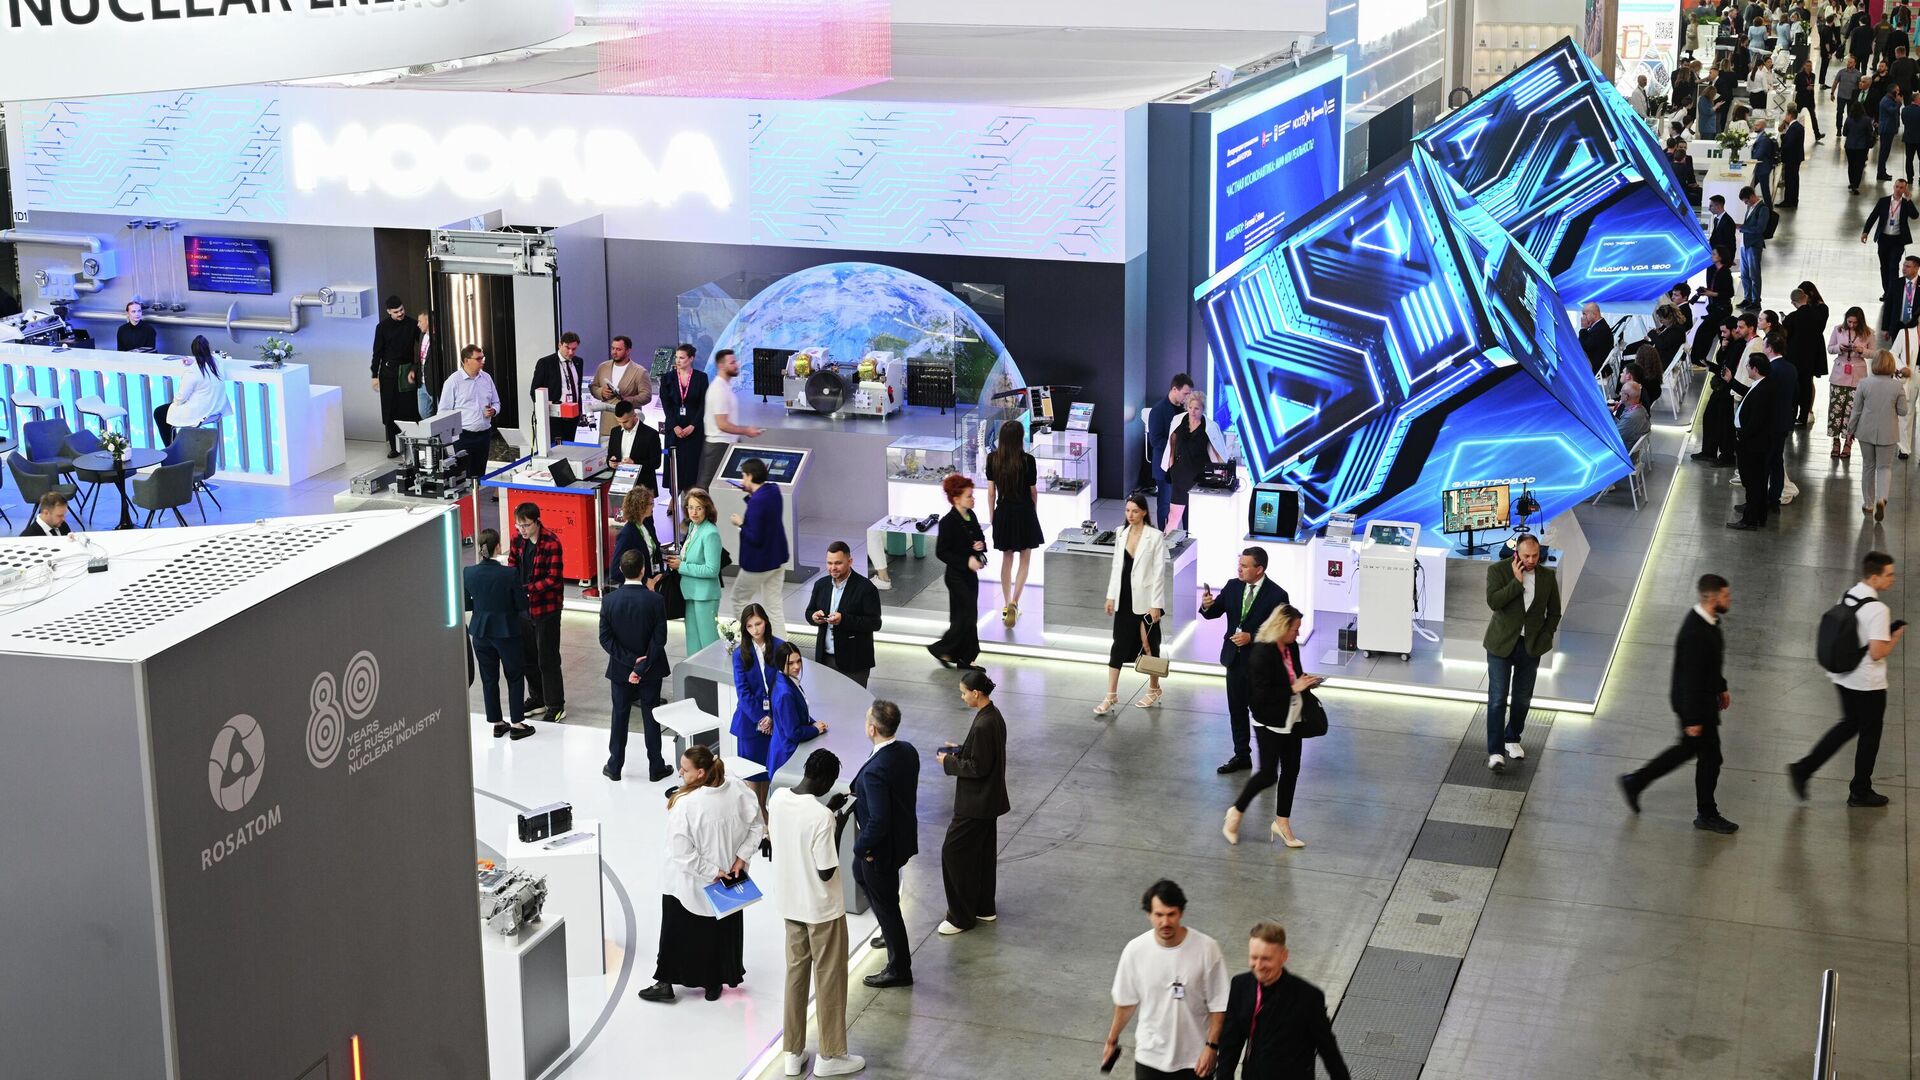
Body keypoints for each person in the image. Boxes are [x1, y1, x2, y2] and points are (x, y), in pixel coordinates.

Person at [638, 745, 764, 1003]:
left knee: (676, 931)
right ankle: (713, 981)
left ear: (700, 773)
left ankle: (666, 982)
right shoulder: (738, 789)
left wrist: (712, 872)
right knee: (720, 932)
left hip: (688, 882)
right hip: (730, 879)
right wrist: (741, 858)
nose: (680, 773)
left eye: (685, 770)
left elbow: (682, 852)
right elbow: (757, 825)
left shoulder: (686, 805)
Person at [768, 749, 866, 1079]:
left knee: (796, 976)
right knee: (830, 980)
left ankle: (793, 1053)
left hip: (790, 903)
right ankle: (831, 1054)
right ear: (824, 780)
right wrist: (837, 823)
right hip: (822, 910)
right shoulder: (822, 817)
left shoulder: (778, 799)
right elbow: (826, 871)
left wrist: (828, 812)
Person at [1619, 575, 1738, 833]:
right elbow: (1689, 680)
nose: (1729, 599)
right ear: (1713, 598)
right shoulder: (1696, 633)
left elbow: (1710, 664)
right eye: (1726, 595)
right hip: (1696, 707)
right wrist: (1692, 719)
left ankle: (1636, 782)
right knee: (1710, 758)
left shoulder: (1710, 622)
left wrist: (1721, 686)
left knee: (1689, 751)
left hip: (1702, 702)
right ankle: (1706, 814)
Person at [1790, 552, 1905, 806]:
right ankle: (1860, 791)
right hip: (1868, 683)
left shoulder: (1847, 595)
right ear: (1874, 577)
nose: (1893, 579)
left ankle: (1804, 768)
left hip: (1843, 677)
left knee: (1849, 724)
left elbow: (1855, 633)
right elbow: (1877, 652)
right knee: (1870, 735)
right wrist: (1895, 637)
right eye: (1889, 574)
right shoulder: (1879, 609)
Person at [1103, 879, 1230, 1080]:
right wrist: (1112, 1040)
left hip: (1195, 1060)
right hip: (1150, 1057)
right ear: (1149, 914)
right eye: (1159, 915)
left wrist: (1211, 1046)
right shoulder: (1135, 951)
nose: (1165, 922)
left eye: (1171, 914)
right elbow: (1126, 1002)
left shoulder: (1207, 949)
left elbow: (1219, 1005)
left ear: (1181, 913)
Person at [1224, 604, 1319, 849]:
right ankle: (1236, 812)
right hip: (1269, 721)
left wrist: (1306, 682)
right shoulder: (1261, 653)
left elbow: (1294, 676)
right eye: (1295, 629)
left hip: (1292, 717)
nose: (1298, 633)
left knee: (1291, 770)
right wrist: (1293, 688)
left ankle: (1282, 823)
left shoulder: (1291, 647)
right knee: (1268, 774)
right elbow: (1260, 696)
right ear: (1282, 627)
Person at [1213, 923, 1350, 1080]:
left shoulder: (1308, 997)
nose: (1258, 966)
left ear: (1283, 956)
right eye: (1254, 957)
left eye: (1266, 959)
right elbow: (1230, 1042)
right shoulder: (1241, 986)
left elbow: (1328, 1049)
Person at [1197, 547, 1288, 774]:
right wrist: (1207, 605)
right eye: (1239, 564)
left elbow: (1282, 633)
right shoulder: (1233, 586)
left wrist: (1252, 637)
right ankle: (1241, 755)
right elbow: (1213, 612)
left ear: (1259, 569)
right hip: (1235, 660)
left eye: (1245, 566)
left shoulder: (1277, 595)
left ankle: (1269, 761)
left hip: (1261, 666)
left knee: (1263, 714)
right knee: (1237, 711)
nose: (1239, 569)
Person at [936, 668, 1008, 936]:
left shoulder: (983, 724)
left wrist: (949, 761)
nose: (962, 697)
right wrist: (961, 750)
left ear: (976, 693)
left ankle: (960, 917)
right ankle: (983, 907)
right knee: (982, 856)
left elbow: (978, 767)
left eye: (964, 693)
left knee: (953, 853)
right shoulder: (993, 716)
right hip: (989, 801)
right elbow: (984, 755)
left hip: (975, 804)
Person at [853, 700, 919, 989]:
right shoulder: (907, 751)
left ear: (873, 729)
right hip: (900, 839)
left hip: (879, 850)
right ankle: (888, 931)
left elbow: (879, 820)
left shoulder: (875, 771)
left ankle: (899, 968)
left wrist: (861, 848)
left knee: (888, 905)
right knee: (860, 874)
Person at [1483, 534, 1562, 770]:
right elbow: (1494, 602)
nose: (1531, 560)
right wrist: (1516, 583)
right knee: (1497, 698)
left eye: (1535, 556)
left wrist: (1545, 636)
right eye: (1526, 556)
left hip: (1530, 646)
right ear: (1516, 553)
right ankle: (1496, 751)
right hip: (1501, 644)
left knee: (1522, 698)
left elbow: (1554, 613)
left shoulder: (1547, 576)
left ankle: (1512, 738)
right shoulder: (1498, 571)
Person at [601, 549, 671, 783]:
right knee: (651, 716)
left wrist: (631, 662)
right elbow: (659, 639)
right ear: (643, 570)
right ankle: (656, 767)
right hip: (651, 669)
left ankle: (614, 766)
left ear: (621, 570)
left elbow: (605, 639)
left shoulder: (609, 601)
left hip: (620, 670)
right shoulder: (655, 600)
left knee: (619, 715)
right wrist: (641, 665)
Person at [1097, 494, 1169, 715]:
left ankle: (1154, 688)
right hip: (1124, 598)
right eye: (1128, 510)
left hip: (1146, 601)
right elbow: (1116, 567)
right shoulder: (1121, 533)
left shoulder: (1155, 536)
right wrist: (1111, 596)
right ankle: (1110, 695)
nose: (1130, 515)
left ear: (1144, 512)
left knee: (1149, 646)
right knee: (1118, 645)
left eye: (1135, 511)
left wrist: (1156, 604)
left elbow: (1159, 573)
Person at [465, 529, 533, 740]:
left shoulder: (468, 572)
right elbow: (521, 604)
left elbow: (467, 604)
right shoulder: (509, 574)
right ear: (498, 547)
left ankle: (497, 722)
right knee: (514, 676)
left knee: (489, 678)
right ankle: (517, 723)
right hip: (506, 632)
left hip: (480, 633)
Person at [509, 501, 566, 722]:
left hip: (547, 609)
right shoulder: (517, 540)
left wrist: (526, 589)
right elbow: (512, 565)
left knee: (547, 659)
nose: (522, 529)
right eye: (518, 525)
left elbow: (553, 579)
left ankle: (556, 704)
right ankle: (538, 698)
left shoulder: (551, 542)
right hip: (524, 609)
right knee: (528, 657)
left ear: (537, 522)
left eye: (526, 525)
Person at [985, 419, 1043, 625]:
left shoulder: (993, 459)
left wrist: (992, 516)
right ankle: (1015, 603)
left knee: (1006, 558)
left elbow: (991, 493)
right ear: (1020, 438)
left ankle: (1005, 602)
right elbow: (1033, 492)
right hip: (1025, 512)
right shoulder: (1028, 461)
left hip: (1003, 512)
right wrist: (1033, 512)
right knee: (1024, 559)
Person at [928, 473, 988, 671]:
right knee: (967, 616)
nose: (973, 499)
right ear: (956, 499)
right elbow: (941, 552)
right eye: (969, 496)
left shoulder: (971, 515)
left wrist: (981, 545)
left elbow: (979, 536)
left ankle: (958, 656)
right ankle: (946, 650)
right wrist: (966, 562)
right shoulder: (948, 522)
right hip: (956, 577)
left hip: (970, 576)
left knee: (964, 616)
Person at [806, 540, 882, 687]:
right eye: (829, 563)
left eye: (838, 563)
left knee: (855, 701)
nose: (832, 568)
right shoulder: (821, 585)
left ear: (850, 561)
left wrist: (844, 620)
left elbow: (874, 623)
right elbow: (809, 612)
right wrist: (814, 617)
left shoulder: (866, 588)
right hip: (825, 660)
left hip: (854, 662)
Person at [1846, 350, 1911, 517]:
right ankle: (1881, 499)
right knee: (1884, 467)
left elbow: (1856, 411)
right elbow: (1903, 411)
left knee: (1868, 466)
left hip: (1865, 431)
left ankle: (1868, 504)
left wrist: (1850, 431)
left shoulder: (1864, 383)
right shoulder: (1897, 386)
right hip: (1888, 433)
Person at [729, 456, 789, 622]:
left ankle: (751, 634)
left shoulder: (757, 502)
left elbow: (755, 537)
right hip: (777, 559)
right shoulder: (774, 491)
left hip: (758, 563)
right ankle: (778, 640)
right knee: (774, 607)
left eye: (743, 476)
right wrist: (750, 493)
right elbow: (763, 514)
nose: (742, 480)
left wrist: (740, 523)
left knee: (738, 600)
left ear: (750, 476)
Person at [1160, 389, 1229, 533]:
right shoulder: (1178, 421)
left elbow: (1218, 450)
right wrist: (1171, 467)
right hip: (1179, 475)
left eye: (1196, 408)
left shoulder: (1210, 427)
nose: (1192, 411)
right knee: (1174, 516)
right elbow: (1172, 444)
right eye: (1190, 407)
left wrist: (1223, 472)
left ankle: (1194, 544)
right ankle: (1166, 544)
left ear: (1203, 409)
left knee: (1197, 516)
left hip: (1199, 477)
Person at [1727, 349, 1779, 529]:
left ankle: (1750, 520)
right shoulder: (1762, 384)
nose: (1747, 368)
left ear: (1755, 369)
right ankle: (1758, 514)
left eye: (1748, 366)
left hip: (1753, 444)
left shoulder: (1763, 390)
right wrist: (1731, 381)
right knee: (1757, 481)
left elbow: (1756, 421)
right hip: (1755, 443)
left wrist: (1741, 436)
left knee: (1753, 482)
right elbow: (1748, 395)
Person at [700, 348, 763, 490]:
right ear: (721, 366)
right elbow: (722, 424)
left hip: (727, 442)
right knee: (707, 486)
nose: (736, 365)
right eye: (732, 362)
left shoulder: (725, 387)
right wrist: (746, 430)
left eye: (736, 361)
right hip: (719, 445)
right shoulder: (718, 390)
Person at [673, 488, 724, 654]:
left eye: (699, 508)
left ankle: (712, 671)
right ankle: (694, 671)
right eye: (690, 507)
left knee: (709, 644)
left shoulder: (710, 533)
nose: (694, 512)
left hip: (705, 596)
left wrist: (681, 566)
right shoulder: (693, 527)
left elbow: (712, 569)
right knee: (693, 640)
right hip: (691, 593)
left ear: (707, 509)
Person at [439, 345, 500, 481]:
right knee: (463, 476)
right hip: (463, 436)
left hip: (484, 434)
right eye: (478, 359)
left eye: (483, 358)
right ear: (466, 361)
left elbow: (497, 402)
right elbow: (443, 411)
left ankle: (478, 493)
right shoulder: (453, 381)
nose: (482, 361)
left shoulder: (486, 378)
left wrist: (494, 410)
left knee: (480, 474)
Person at [658, 343, 708, 505]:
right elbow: (666, 405)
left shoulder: (701, 378)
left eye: (682, 358)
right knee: (674, 463)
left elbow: (703, 404)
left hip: (693, 428)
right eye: (677, 357)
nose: (678, 361)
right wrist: (675, 426)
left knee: (691, 464)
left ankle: (689, 499)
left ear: (691, 359)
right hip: (674, 428)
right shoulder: (667, 378)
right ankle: (674, 497)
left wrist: (693, 425)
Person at [369, 295, 419, 456]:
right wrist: (374, 375)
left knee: (409, 409)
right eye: (396, 312)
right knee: (390, 410)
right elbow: (377, 352)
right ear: (389, 312)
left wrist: (415, 368)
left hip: (406, 371)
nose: (400, 313)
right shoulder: (382, 327)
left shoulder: (412, 324)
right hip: (388, 374)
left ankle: (413, 444)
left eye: (402, 310)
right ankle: (394, 447)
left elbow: (422, 347)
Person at [154, 334, 225, 446]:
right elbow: (208, 360)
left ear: (193, 351)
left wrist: (175, 403)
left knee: (160, 413)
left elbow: (180, 398)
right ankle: (176, 448)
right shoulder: (217, 362)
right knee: (165, 412)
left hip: (200, 412)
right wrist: (195, 361)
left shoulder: (192, 372)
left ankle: (173, 450)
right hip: (216, 409)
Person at [1144, 373, 1193, 527]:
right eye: (1185, 393)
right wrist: (1178, 445)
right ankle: (1164, 536)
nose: (1188, 397)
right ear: (1174, 389)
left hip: (1184, 467)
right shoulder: (1158, 410)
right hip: (1165, 467)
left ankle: (1188, 535)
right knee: (1165, 505)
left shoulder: (1186, 411)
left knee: (1187, 504)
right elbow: (1155, 440)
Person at [1827, 306, 1874, 457]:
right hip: (1839, 375)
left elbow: (1874, 353)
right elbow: (1830, 348)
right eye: (1849, 322)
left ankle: (1848, 442)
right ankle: (1835, 441)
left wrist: (1862, 351)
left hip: (1858, 377)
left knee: (1853, 411)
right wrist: (1839, 348)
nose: (1852, 325)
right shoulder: (1838, 330)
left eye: (1855, 322)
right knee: (1835, 410)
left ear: (1860, 322)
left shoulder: (1869, 333)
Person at [1861, 178, 1917, 299]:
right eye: (1897, 187)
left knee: (1893, 266)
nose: (1898, 189)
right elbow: (1873, 216)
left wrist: (1909, 199)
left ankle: (1892, 293)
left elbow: (1915, 215)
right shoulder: (1883, 201)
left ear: (1905, 189)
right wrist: (1865, 232)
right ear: (1893, 187)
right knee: (1884, 266)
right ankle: (1886, 291)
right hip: (1883, 239)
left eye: (1901, 188)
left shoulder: (1906, 203)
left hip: (1898, 240)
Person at [1782, 285, 1830, 424]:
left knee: (1794, 386)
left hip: (1794, 357)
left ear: (1793, 302)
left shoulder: (1792, 317)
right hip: (1812, 356)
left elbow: (1785, 335)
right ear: (1806, 297)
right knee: (1807, 385)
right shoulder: (1818, 314)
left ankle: (1791, 415)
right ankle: (1804, 416)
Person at [529, 331, 587, 444]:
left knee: (570, 447)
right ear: (560, 345)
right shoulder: (545, 363)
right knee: (556, 448)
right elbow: (534, 392)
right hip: (554, 417)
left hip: (573, 416)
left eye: (574, 349)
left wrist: (579, 411)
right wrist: (547, 408)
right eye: (567, 348)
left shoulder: (578, 362)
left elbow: (577, 388)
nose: (570, 352)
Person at [609, 484, 665, 589]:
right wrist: (644, 581)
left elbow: (655, 550)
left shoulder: (647, 524)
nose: (653, 506)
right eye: (651, 504)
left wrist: (661, 573)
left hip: (653, 583)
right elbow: (615, 571)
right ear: (641, 507)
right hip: (637, 588)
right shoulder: (627, 534)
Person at [1692, 245, 1737, 366]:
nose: (1711, 256)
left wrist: (1711, 293)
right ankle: (1702, 359)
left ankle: (1700, 359)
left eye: (1714, 254)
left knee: (1706, 333)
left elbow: (1729, 293)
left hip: (1721, 310)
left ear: (1720, 257)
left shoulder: (1725, 272)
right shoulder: (1714, 270)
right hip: (1715, 309)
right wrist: (1707, 291)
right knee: (1711, 334)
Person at [605, 400, 663, 489]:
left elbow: (656, 463)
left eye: (625, 422)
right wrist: (611, 463)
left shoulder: (651, 434)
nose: (622, 425)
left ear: (634, 415)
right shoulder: (615, 432)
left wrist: (634, 463)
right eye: (619, 422)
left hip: (643, 486)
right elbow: (610, 456)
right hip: (619, 484)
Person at [1737, 187, 1769, 309]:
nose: (1746, 203)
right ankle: (1747, 298)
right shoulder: (1750, 208)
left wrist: (1742, 228)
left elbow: (1760, 229)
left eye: (1746, 201)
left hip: (1754, 245)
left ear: (1752, 196)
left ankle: (1756, 301)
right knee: (1744, 274)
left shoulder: (1763, 209)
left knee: (1754, 274)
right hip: (1745, 244)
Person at [1844, 93, 1875, 191]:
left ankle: (1851, 181)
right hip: (1862, 147)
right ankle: (1856, 184)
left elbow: (1844, 133)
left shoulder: (1848, 119)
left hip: (1849, 146)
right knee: (1859, 166)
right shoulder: (1867, 120)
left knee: (1851, 165)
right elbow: (1870, 133)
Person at [1778, 105, 1806, 206]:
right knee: (1794, 179)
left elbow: (1789, 144)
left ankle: (1788, 201)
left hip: (1791, 158)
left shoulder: (1793, 128)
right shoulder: (1798, 126)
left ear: (1790, 116)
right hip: (1796, 157)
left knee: (1790, 179)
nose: (1785, 117)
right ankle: (1794, 199)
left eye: (1786, 115)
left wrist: (1781, 150)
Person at [1578, 302, 1613, 374]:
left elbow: (1582, 347)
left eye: (1585, 314)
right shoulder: (1599, 326)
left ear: (1594, 314)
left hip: (1595, 369)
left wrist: (1583, 328)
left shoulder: (1600, 329)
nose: (1583, 318)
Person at [1615, 380, 1652, 446]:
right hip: (1631, 441)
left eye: (1621, 392)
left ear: (1626, 397)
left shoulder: (1629, 418)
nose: (1620, 394)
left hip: (1622, 448)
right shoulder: (1642, 409)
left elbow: (1614, 437)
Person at [1837, 55, 1863, 134]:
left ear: (1855, 64)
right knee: (1839, 112)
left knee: (1850, 114)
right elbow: (1835, 82)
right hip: (1841, 96)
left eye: (1851, 62)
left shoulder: (1858, 74)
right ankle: (1839, 129)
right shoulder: (1841, 72)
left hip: (1851, 98)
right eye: (1848, 62)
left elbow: (1860, 86)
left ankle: (1848, 129)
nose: (1848, 63)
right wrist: (1832, 93)